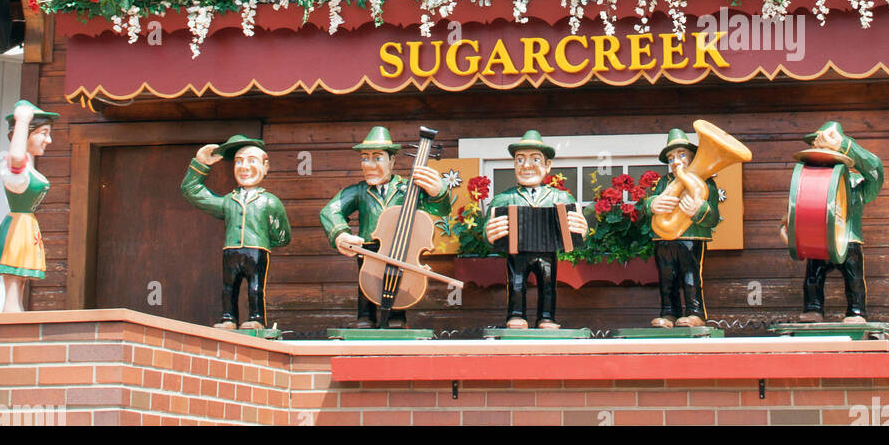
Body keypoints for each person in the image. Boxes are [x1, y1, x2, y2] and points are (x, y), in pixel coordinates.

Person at [319, 126, 451, 329]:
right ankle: (366, 316)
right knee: (367, 281)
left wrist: (438, 191)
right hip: (370, 246)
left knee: (400, 278)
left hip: (402, 247)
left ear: (392, 161)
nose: (369, 165)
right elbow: (330, 211)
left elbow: (439, 209)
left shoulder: (408, 189)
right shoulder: (359, 191)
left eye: (377, 158)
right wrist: (340, 234)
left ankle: (397, 315)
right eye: (365, 158)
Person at [181, 135, 291, 330]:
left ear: (266, 166)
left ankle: (256, 318)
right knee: (228, 287)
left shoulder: (270, 201)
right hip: (231, 250)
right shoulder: (228, 201)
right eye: (239, 161)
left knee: (255, 287)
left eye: (251, 160)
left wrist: (264, 239)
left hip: (256, 251)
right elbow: (192, 190)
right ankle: (228, 318)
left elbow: (282, 235)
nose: (244, 166)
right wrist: (200, 164)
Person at [483, 129, 588, 329]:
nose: (527, 166)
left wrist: (582, 231)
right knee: (516, 283)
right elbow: (487, 234)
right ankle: (515, 314)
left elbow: (579, 233)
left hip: (547, 253)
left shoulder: (561, 198)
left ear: (548, 166)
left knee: (548, 285)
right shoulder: (504, 199)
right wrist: (489, 234)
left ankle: (547, 317)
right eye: (520, 160)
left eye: (535, 159)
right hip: (517, 252)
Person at [786, 120, 884, 322]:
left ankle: (856, 311)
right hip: (817, 238)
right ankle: (813, 309)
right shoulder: (808, 182)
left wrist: (845, 145)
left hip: (849, 239)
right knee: (813, 277)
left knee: (854, 278)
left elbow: (875, 172)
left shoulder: (857, 184)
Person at [642, 128, 720, 327]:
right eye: (671, 157)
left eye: (681, 155)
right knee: (667, 276)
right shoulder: (664, 182)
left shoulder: (705, 183)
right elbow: (649, 203)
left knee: (690, 275)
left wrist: (700, 208)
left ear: (693, 157)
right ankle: (669, 312)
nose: (675, 161)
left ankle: (695, 313)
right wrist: (652, 204)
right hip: (663, 238)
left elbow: (713, 217)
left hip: (691, 237)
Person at [0, 100, 58, 312]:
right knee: (14, 275)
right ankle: (11, 314)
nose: (49, 140)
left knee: (21, 277)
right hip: (17, 227)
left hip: (26, 226)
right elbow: (16, 157)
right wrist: (23, 120)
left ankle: (16, 310)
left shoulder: (29, 167)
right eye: (43, 133)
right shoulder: (16, 167)